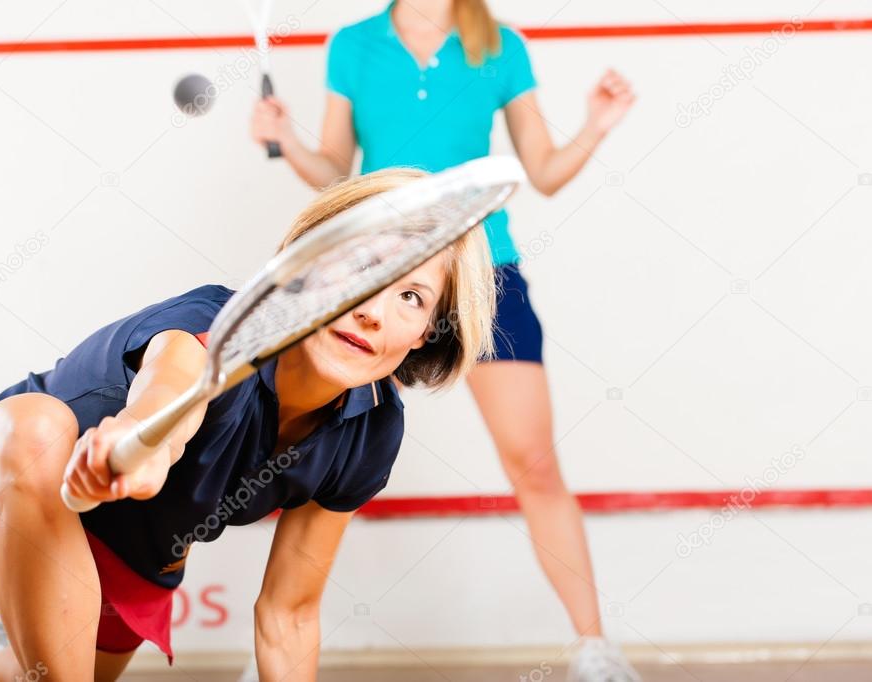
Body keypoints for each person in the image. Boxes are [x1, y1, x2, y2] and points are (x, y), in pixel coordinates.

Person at [0, 168, 496, 682]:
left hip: (131, 560)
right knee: (40, 429)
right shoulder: (216, 330)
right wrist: (143, 445)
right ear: (311, 261)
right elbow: (167, 397)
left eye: (412, 297)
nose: (375, 308)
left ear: (427, 333)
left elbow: (288, 613)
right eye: (365, 268)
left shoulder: (371, 431)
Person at [250, 1, 638, 679]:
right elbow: (338, 170)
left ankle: (595, 653)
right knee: (325, 454)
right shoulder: (353, 45)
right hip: (377, 276)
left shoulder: (501, 46)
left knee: (535, 466)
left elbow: (541, 171)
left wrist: (595, 128)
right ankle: (275, 651)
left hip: (486, 273)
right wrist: (285, 141)